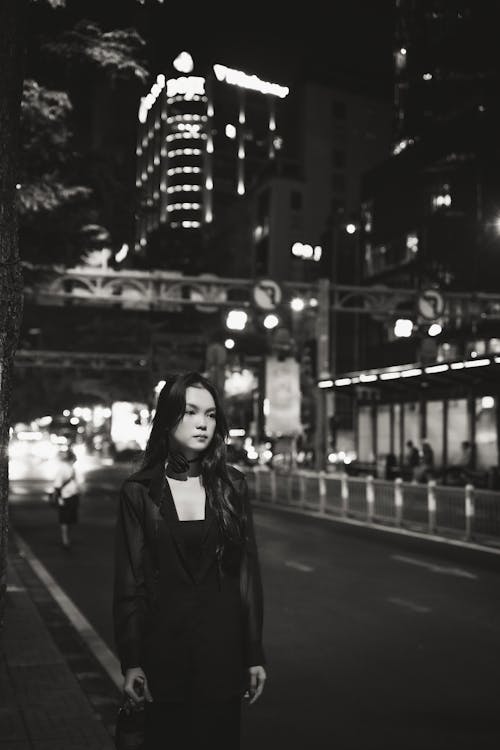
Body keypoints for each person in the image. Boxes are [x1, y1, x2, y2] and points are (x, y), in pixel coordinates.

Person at [113, 372, 267, 750]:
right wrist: (131, 659)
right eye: (192, 412)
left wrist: (253, 653)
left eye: (212, 415)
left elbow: (246, 576)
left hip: (222, 656)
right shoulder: (139, 491)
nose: (203, 423)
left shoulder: (232, 486)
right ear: (168, 418)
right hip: (163, 656)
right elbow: (130, 581)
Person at [52, 448, 80, 549]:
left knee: (71, 519)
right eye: (74, 459)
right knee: (64, 519)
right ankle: (65, 539)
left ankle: (68, 538)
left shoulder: (72, 469)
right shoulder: (63, 469)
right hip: (65, 497)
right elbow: (57, 485)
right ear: (70, 459)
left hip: (73, 496)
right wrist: (60, 499)